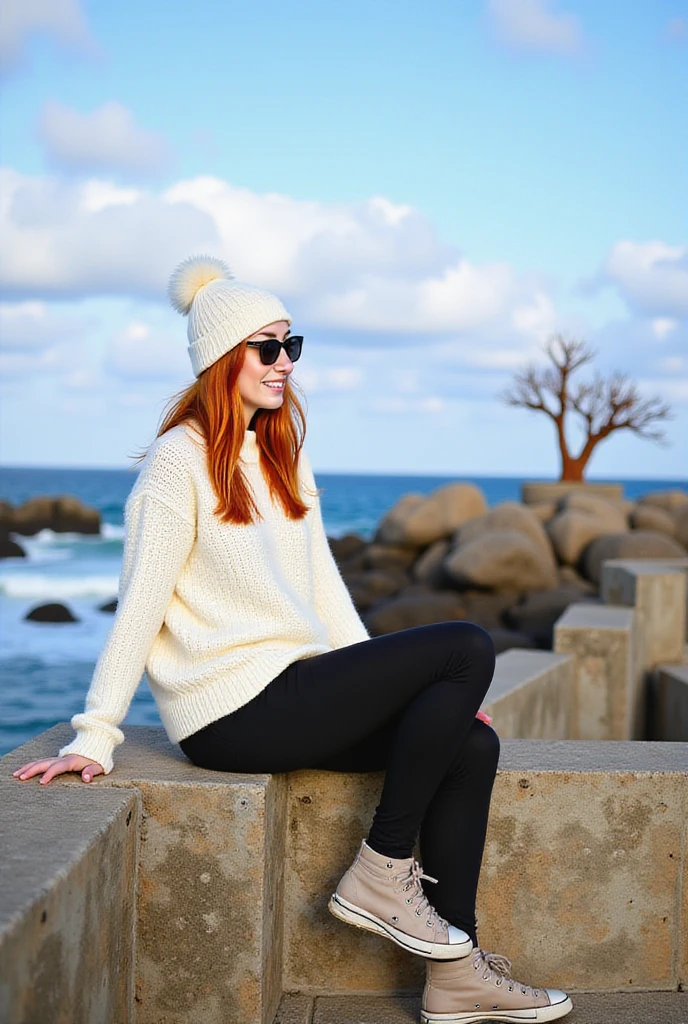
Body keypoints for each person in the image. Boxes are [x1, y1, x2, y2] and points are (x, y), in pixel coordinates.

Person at [13, 254, 572, 1024]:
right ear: (222, 358)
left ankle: (457, 974)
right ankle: (380, 871)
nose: (284, 364)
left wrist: (423, 699)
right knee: (466, 646)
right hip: (229, 713)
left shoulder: (281, 454)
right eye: (265, 347)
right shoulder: (180, 461)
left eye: (290, 345)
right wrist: (96, 733)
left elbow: (325, 595)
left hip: (293, 690)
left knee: (471, 745)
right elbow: (139, 603)